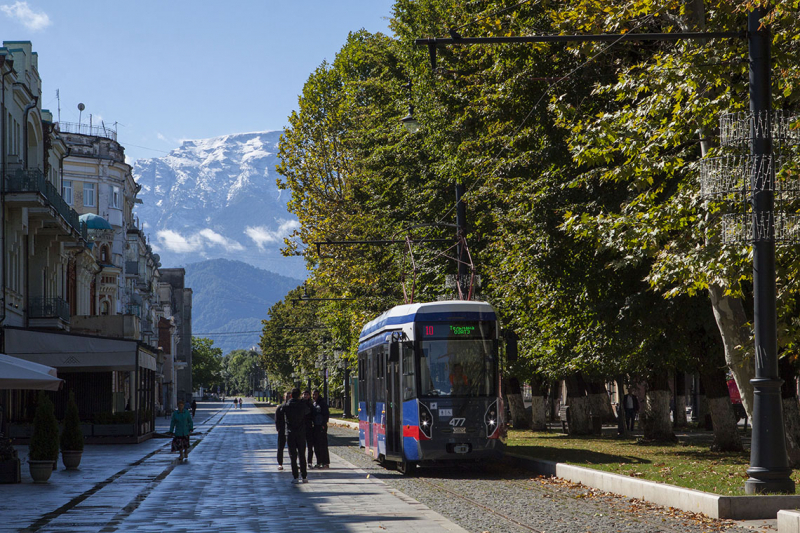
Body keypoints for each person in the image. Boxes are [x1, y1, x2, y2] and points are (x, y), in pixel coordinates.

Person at [283, 388, 311, 483]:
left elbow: (282, 410)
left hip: (290, 433)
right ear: (299, 395)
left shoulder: (287, 405)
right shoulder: (302, 405)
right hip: (301, 432)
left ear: (291, 395)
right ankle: (304, 476)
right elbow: (308, 412)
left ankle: (295, 477)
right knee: (302, 455)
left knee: (293, 456)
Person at [311, 389, 330, 468]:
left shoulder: (322, 403)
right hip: (315, 426)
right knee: (316, 445)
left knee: (322, 444)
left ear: (318, 395)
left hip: (321, 426)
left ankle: (325, 462)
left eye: (315, 394)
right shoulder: (314, 403)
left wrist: (323, 424)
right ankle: (319, 461)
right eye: (313, 394)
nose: (314, 396)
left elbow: (326, 414)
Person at [275, 391, 290, 471]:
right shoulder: (280, 407)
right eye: (286, 396)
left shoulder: (293, 407)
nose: (288, 397)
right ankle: (280, 463)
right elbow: (277, 419)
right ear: (284, 397)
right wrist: (278, 428)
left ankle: (294, 462)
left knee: (293, 448)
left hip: (291, 431)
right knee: (280, 447)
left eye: (289, 396)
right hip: (282, 430)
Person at [302, 390, 315, 466]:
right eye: (304, 394)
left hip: (309, 427)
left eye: (307, 394)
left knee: (310, 446)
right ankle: (302, 461)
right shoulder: (300, 404)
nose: (305, 396)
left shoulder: (311, 404)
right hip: (302, 427)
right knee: (301, 446)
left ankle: (309, 462)